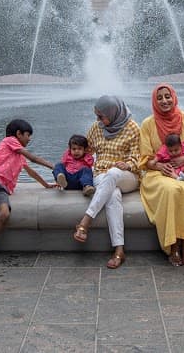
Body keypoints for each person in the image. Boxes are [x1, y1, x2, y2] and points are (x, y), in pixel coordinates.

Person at [0, 119, 55, 268]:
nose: (30, 138)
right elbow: (33, 158)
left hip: (1, 188)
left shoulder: (19, 156)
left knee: (5, 214)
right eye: (28, 135)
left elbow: (31, 172)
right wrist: (55, 166)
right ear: (18, 134)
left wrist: (46, 184)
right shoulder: (9, 140)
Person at [136, 83, 184, 267]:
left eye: (167, 96)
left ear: (174, 97)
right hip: (157, 174)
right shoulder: (147, 124)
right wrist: (160, 166)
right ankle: (174, 244)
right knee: (170, 189)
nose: (164, 101)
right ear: (154, 101)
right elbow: (145, 160)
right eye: (159, 98)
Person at [73, 95, 141, 269]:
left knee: (113, 174)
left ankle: (85, 221)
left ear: (114, 112)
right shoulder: (97, 128)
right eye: (97, 116)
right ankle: (119, 250)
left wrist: (127, 164)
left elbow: (139, 158)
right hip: (101, 175)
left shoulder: (132, 128)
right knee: (113, 195)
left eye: (101, 116)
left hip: (127, 176)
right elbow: (86, 149)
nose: (98, 120)